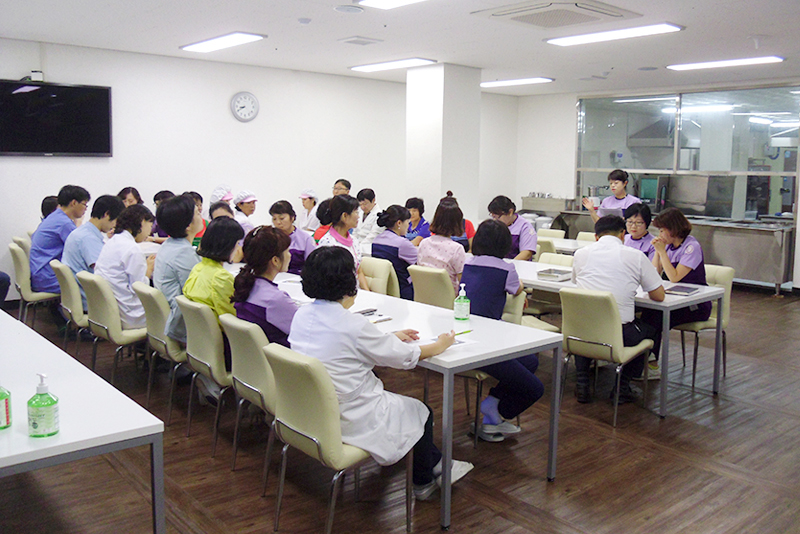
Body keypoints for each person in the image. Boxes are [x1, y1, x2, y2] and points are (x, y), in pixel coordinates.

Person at [288, 246, 471, 500]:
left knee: (405, 409)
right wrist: (440, 345)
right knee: (422, 411)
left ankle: (438, 465)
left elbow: (352, 345)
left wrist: (389, 337)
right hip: (351, 417)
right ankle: (424, 482)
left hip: (310, 411)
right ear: (347, 282)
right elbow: (403, 357)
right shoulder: (352, 325)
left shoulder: (302, 314)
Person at [460, 219, 541, 442]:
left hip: (469, 335)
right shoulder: (507, 268)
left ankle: (493, 406)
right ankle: (497, 413)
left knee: (531, 361)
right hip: (487, 345)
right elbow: (517, 288)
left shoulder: (468, 263)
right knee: (535, 388)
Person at [571, 215, 665, 403]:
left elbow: (576, 283)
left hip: (582, 332)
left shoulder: (580, 254)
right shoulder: (635, 256)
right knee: (650, 332)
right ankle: (622, 388)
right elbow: (659, 296)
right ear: (623, 234)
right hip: (620, 333)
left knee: (587, 329)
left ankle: (582, 384)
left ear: (596, 236)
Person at [642, 208, 712, 376]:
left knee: (658, 317)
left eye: (662, 230)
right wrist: (658, 253)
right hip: (673, 299)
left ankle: (651, 364)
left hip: (696, 305)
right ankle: (642, 360)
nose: (660, 234)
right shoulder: (668, 247)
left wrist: (661, 252)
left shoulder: (691, 247)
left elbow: (674, 277)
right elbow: (654, 274)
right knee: (648, 313)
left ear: (673, 229)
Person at [183, 216, 244, 402]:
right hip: (225, 349)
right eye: (237, 243)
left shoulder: (197, 269)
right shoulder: (221, 278)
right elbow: (232, 320)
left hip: (199, 344)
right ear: (228, 246)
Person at [232, 225, 298, 347]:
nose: (290, 255)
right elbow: (304, 331)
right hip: (278, 356)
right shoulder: (275, 299)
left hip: (252, 354)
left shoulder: (245, 285)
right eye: (287, 251)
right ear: (275, 261)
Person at [94, 204, 156, 329]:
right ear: (142, 222)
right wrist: (149, 270)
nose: (149, 232)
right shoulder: (132, 249)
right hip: (129, 315)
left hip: (109, 311)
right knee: (167, 308)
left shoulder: (112, 241)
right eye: (150, 226)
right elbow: (139, 288)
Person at [152, 194, 204, 344]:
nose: (201, 216)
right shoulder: (184, 253)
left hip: (167, 318)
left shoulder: (169, 245)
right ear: (188, 225)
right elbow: (197, 295)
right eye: (197, 213)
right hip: (182, 325)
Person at [62, 194, 125, 309]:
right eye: (116, 220)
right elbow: (106, 274)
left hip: (78, 297)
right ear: (107, 214)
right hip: (91, 302)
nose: (115, 225)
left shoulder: (82, 232)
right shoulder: (89, 238)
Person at [30, 185, 91, 294]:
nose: (86, 208)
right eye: (84, 204)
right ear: (74, 203)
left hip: (41, 274)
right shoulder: (64, 223)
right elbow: (83, 250)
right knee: (94, 285)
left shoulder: (54, 217)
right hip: (49, 279)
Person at [317, 194, 369, 290]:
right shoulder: (327, 244)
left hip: (354, 292)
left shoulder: (354, 241)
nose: (358, 217)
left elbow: (359, 271)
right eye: (356, 212)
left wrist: (368, 293)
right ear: (344, 216)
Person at [417, 195, 466, 293]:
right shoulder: (456, 249)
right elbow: (463, 283)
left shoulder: (424, 243)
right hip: (449, 299)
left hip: (424, 297)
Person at [371, 205, 418, 300]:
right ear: (399, 223)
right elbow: (420, 261)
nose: (408, 226)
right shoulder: (402, 244)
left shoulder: (376, 240)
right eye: (407, 222)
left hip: (385, 289)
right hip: (404, 291)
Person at [269, 200, 316, 275]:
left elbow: (311, 265)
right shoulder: (270, 237)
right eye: (274, 219)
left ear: (292, 218)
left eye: (282, 218)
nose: (278, 222)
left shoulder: (305, 238)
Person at [487, 195, 537, 261]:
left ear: (510, 212)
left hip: (517, 264)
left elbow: (526, 253)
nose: (495, 220)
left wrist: (510, 264)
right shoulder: (495, 225)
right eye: (493, 217)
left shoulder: (525, 227)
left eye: (498, 217)